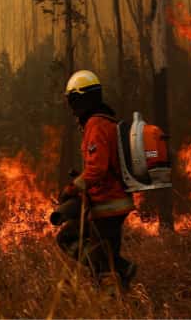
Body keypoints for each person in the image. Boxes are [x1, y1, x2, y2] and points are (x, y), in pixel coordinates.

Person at [55, 69, 137, 290]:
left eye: (72, 100)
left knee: (103, 261)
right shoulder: (104, 122)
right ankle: (117, 276)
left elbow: (97, 169)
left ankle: (117, 282)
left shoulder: (97, 125)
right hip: (108, 204)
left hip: (108, 205)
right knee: (74, 240)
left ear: (81, 99)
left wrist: (72, 188)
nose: (71, 107)